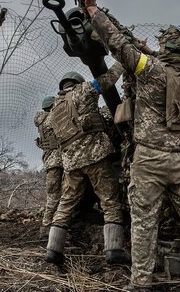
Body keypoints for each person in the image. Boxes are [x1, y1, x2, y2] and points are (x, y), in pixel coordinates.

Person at [84, 0, 180, 291]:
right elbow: (161, 64)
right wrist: (151, 52)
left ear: (166, 48)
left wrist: (93, 9)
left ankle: (140, 283)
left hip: (149, 159)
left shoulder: (149, 70)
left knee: (144, 222)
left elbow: (116, 44)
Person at [45, 71, 130, 265]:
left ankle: (53, 250)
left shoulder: (54, 110)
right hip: (95, 158)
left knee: (65, 204)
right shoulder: (83, 91)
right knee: (110, 201)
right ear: (77, 83)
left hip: (71, 164)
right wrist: (122, 59)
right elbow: (108, 79)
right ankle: (114, 250)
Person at [34, 96, 64, 240]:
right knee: (56, 197)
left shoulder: (41, 121)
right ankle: (47, 229)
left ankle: (47, 228)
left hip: (49, 163)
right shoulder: (52, 119)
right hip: (58, 162)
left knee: (53, 196)